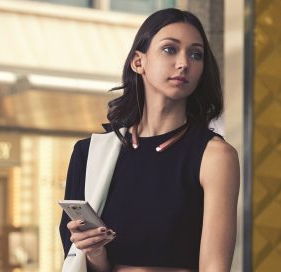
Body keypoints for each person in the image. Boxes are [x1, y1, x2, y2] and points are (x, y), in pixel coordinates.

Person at [59, 8, 240, 272]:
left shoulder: (214, 156)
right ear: (138, 62)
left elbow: (215, 267)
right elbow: (74, 262)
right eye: (170, 49)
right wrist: (95, 253)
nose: (183, 63)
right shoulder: (89, 154)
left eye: (195, 54)